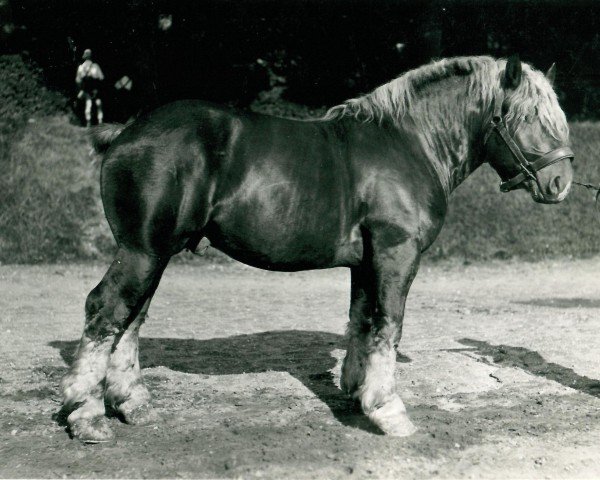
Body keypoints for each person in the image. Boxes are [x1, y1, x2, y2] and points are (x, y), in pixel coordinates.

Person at [75, 49, 104, 127]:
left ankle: (88, 123)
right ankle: (100, 122)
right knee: (98, 105)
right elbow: (101, 77)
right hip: (96, 89)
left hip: (86, 89)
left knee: (88, 104)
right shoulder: (95, 66)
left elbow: (77, 80)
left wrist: (81, 88)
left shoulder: (81, 67)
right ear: (91, 56)